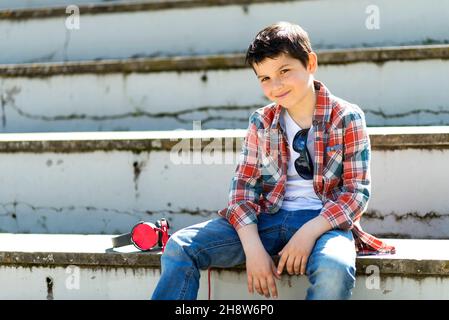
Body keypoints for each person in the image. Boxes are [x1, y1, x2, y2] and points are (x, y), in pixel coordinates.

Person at [151, 21, 395, 300]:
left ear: (310, 63)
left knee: (335, 269)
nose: (275, 86)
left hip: (324, 222)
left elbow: (356, 194)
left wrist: (307, 234)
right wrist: (253, 249)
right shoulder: (262, 121)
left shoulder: (346, 117)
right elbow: (243, 189)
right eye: (265, 78)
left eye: (284, 71)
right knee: (180, 246)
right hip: (267, 218)